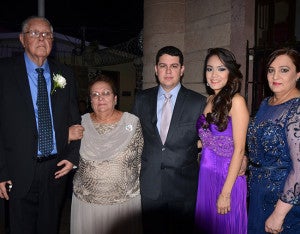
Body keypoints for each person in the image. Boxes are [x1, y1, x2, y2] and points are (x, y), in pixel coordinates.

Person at [0, 16, 81, 234]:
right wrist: (1, 171)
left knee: (49, 227)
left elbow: (76, 121)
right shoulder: (5, 72)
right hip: (17, 171)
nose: (41, 38)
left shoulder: (65, 75)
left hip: (55, 171)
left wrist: (72, 157)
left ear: (53, 41)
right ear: (22, 39)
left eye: (47, 34)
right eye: (34, 33)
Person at [132, 45, 206, 234]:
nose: (168, 71)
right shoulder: (141, 99)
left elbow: (211, 140)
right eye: (163, 66)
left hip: (184, 188)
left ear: (182, 70)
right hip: (150, 185)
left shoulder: (197, 102)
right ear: (156, 69)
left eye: (174, 66)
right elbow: (132, 137)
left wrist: (240, 157)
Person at [70, 74, 144, 234]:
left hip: (122, 204)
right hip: (87, 202)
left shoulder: (132, 123)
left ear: (115, 98)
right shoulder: (80, 123)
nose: (100, 98)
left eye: (106, 93)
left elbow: (140, 159)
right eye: (95, 95)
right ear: (90, 100)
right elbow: (71, 155)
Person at [194, 48, 249, 234]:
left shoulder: (237, 101)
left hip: (226, 177)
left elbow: (239, 150)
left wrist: (225, 193)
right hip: (206, 175)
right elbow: (206, 140)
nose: (214, 75)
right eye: (209, 69)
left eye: (221, 69)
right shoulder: (210, 99)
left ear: (231, 73)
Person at [247, 47, 300, 234]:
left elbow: (299, 169)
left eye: (284, 70)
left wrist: (279, 214)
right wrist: (247, 160)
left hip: (283, 201)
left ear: (298, 74)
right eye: (271, 70)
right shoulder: (266, 103)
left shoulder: (297, 109)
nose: (275, 76)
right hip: (257, 193)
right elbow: (258, 145)